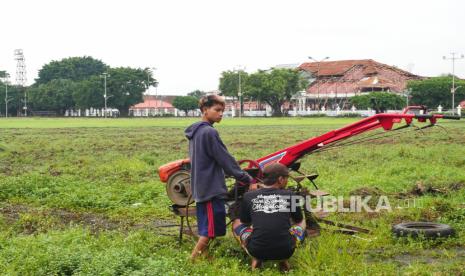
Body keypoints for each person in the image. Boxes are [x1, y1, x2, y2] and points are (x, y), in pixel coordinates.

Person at [185, 95, 252, 260]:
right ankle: (192, 259)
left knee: (209, 226)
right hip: (210, 187)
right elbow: (224, 158)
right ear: (205, 110)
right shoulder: (209, 132)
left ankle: (206, 257)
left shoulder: (197, 131)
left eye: (222, 110)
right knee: (210, 230)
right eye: (217, 110)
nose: (221, 114)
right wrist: (245, 177)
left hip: (201, 186)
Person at [233, 163, 306, 272]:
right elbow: (298, 220)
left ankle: (256, 258)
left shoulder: (249, 196)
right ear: (280, 179)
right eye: (286, 178)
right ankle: (283, 260)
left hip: (256, 250)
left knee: (237, 223)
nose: (287, 181)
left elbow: (245, 222)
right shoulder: (291, 195)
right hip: (286, 250)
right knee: (301, 222)